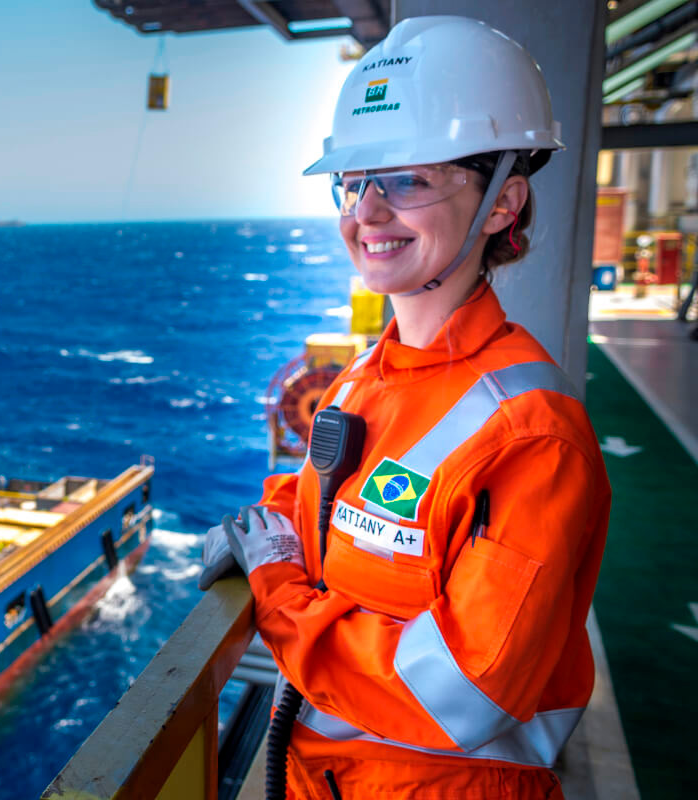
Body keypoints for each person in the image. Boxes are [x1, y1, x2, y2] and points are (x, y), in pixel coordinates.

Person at [200, 16, 610, 799]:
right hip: (321, 778)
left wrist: (279, 590)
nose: (367, 213)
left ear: (502, 204)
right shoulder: (367, 378)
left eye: (409, 180)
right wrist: (264, 528)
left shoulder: (533, 434)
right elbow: (317, 499)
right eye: (353, 182)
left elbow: (464, 694)